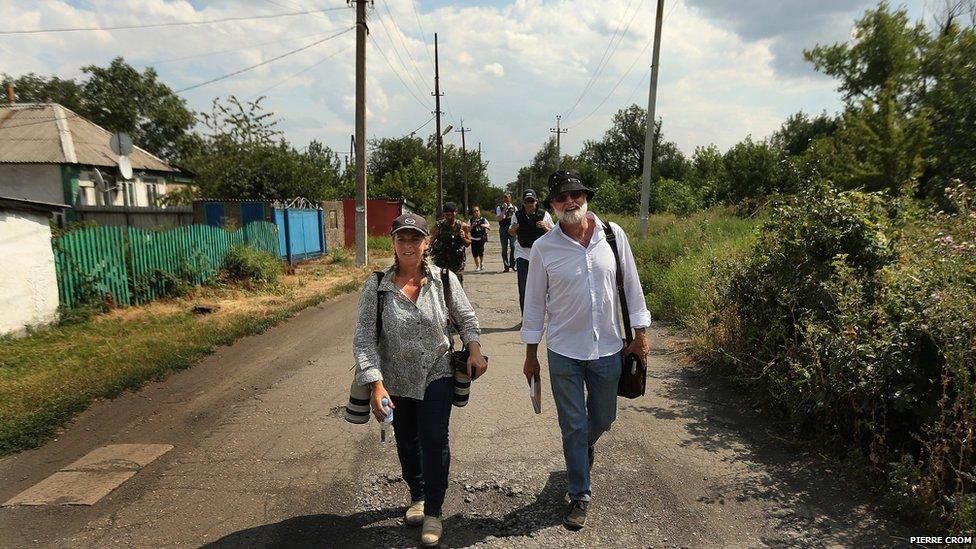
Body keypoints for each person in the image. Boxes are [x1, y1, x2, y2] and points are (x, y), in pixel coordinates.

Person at [520, 170, 651, 530]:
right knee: (573, 424)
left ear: (585, 197)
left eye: (575, 194)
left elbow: (632, 284)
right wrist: (531, 355)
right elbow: (533, 306)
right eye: (561, 198)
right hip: (563, 351)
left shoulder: (612, 234)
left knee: (604, 418)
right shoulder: (545, 249)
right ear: (552, 206)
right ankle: (580, 493)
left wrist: (640, 335)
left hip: (609, 347)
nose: (570, 202)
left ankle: (582, 448)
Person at [353, 212, 488, 547]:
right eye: (402, 238)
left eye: (415, 239)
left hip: (436, 372)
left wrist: (474, 350)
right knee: (406, 439)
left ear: (427, 243)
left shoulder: (444, 279)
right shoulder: (377, 286)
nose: (409, 245)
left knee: (434, 438)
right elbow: (364, 339)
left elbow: (467, 319)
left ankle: (434, 512)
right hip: (394, 378)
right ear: (393, 243)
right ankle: (418, 496)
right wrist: (376, 383)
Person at [507, 188, 553, 314]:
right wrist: (513, 229)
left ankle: (540, 314)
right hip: (523, 254)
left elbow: (554, 234)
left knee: (541, 288)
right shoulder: (517, 215)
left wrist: (545, 227)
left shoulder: (544, 215)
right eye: (527, 202)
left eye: (531, 201)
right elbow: (510, 232)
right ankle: (525, 317)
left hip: (540, 256)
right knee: (523, 288)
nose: (529, 204)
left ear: (536, 202)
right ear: (523, 203)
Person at [430, 202, 471, 285]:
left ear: (456, 213)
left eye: (452, 215)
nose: (449, 217)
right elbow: (430, 241)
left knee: (457, 286)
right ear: (444, 214)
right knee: (441, 286)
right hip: (441, 262)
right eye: (447, 215)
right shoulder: (438, 226)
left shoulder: (462, 226)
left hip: (456, 263)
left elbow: (468, 243)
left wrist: (463, 237)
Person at [495, 192, 517, 272]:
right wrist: (504, 209)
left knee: (513, 246)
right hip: (503, 229)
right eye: (504, 197)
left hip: (512, 228)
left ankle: (513, 264)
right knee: (504, 248)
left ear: (510, 198)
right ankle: (506, 266)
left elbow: (517, 219)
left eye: (507, 197)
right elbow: (499, 218)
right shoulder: (499, 208)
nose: (506, 198)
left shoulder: (514, 208)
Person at [468, 206, 490, 272]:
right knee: (474, 253)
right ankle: (477, 266)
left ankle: (482, 264)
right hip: (473, 238)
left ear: (479, 212)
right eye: (474, 211)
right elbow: (468, 230)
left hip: (481, 238)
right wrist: (472, 225)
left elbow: (488, 225)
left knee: (481, 252)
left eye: (477, 211)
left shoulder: (483, 219)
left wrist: (484, 225)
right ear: (473, 213)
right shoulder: (470, 220)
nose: (476, 212)